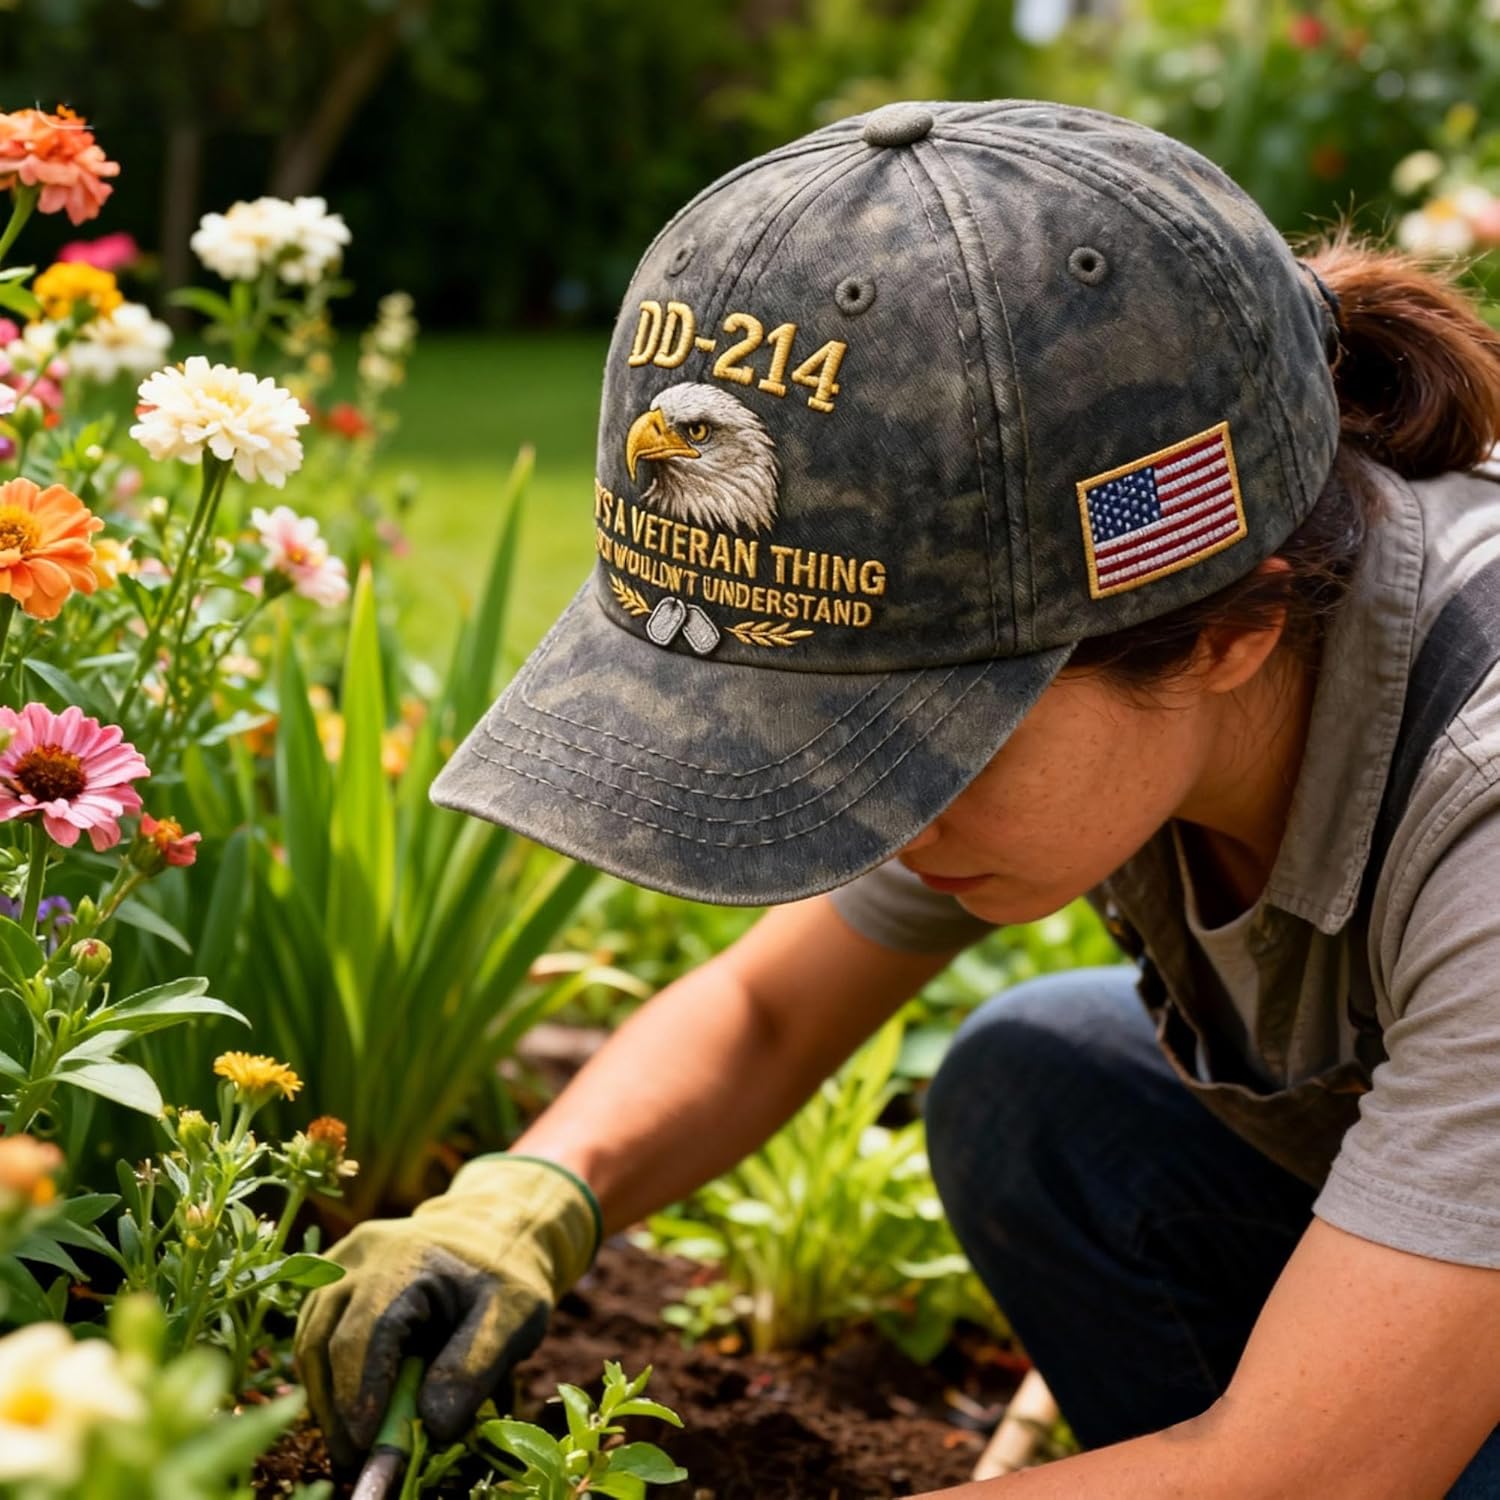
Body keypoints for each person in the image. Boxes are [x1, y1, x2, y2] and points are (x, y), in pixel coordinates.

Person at [295, 100, 1500, 1496]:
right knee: (1042, 1089)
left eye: (918, 745)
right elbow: (762, 1013)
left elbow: (1314, 1472)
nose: (876, 810)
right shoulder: (1096, 630)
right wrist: (531, 1199)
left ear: (1230, 630)